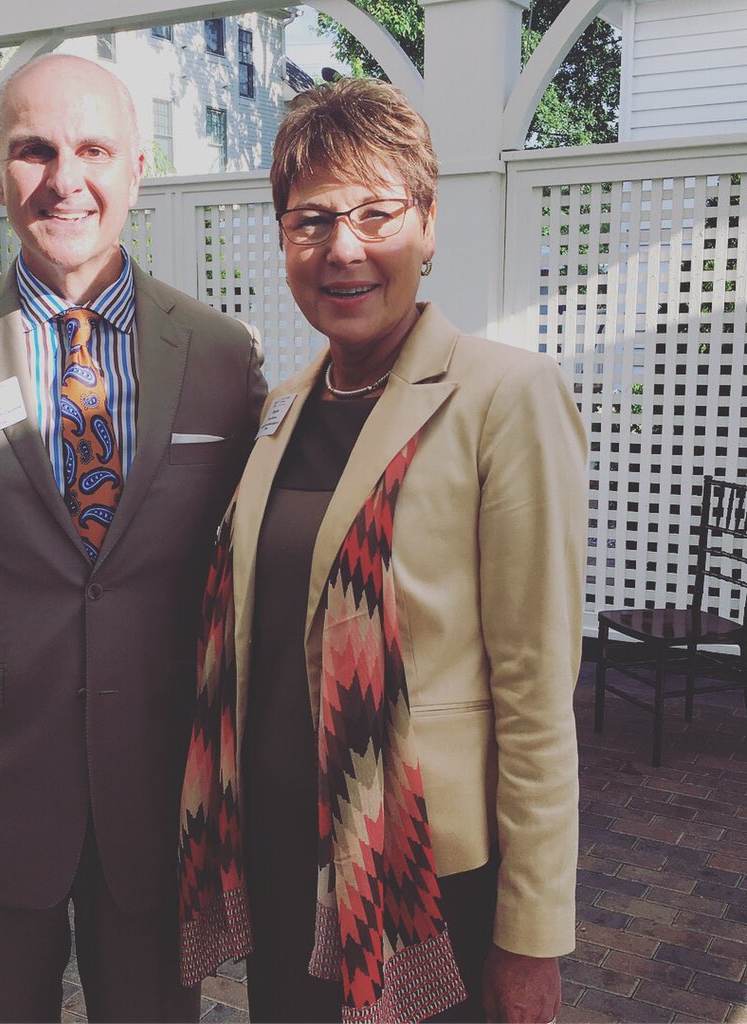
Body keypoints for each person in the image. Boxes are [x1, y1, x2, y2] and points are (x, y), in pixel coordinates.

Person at [0, 53, 266, 1024]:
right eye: (35, 150)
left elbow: (248, 589)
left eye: (94, 150)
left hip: (161, 800)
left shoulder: (219, 356)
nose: (65, 179)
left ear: (138, 169)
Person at [177, 78, 586, 1024]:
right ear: (285, 239)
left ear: (428, 225)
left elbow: (537, 696)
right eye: (312, 220)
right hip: (282, 854)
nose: (344, 248)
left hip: (419, 877)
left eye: (376, 213)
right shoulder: (282, 407)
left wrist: (532, 935)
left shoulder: (503, 397)